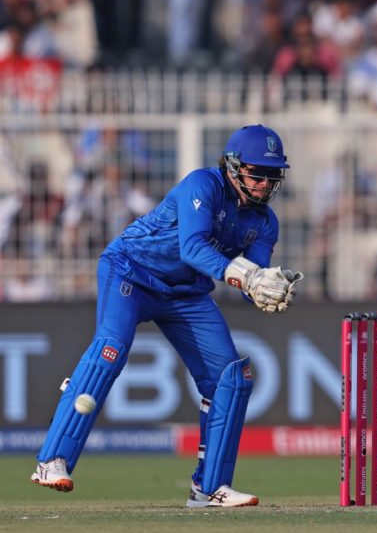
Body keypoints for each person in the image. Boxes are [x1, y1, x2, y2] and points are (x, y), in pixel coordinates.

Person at [31, 125, 304, 508]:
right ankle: (52, 461)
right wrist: (248, 276)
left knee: (231, 378)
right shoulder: (203, 185)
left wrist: (268, 288)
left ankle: (209, 489)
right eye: (257, 173)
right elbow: (193, 248)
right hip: (131, 270)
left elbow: (250, 279)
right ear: (232, 166)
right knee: (110, 350)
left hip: (185, 293)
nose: (263, 184)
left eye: (272, 176)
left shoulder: (264, 222)